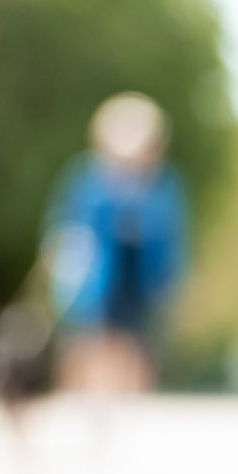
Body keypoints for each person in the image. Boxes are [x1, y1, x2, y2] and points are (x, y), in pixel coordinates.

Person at [44, 93, 188, 395]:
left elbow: (172, 238)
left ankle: (123, 406)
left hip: (140, 279)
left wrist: (172, 283)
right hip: (93, 280)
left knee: (135, 343)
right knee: (86, 340)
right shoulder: (88, 180)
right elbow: (66, 227)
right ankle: (81, 401)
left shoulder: (162, 186)